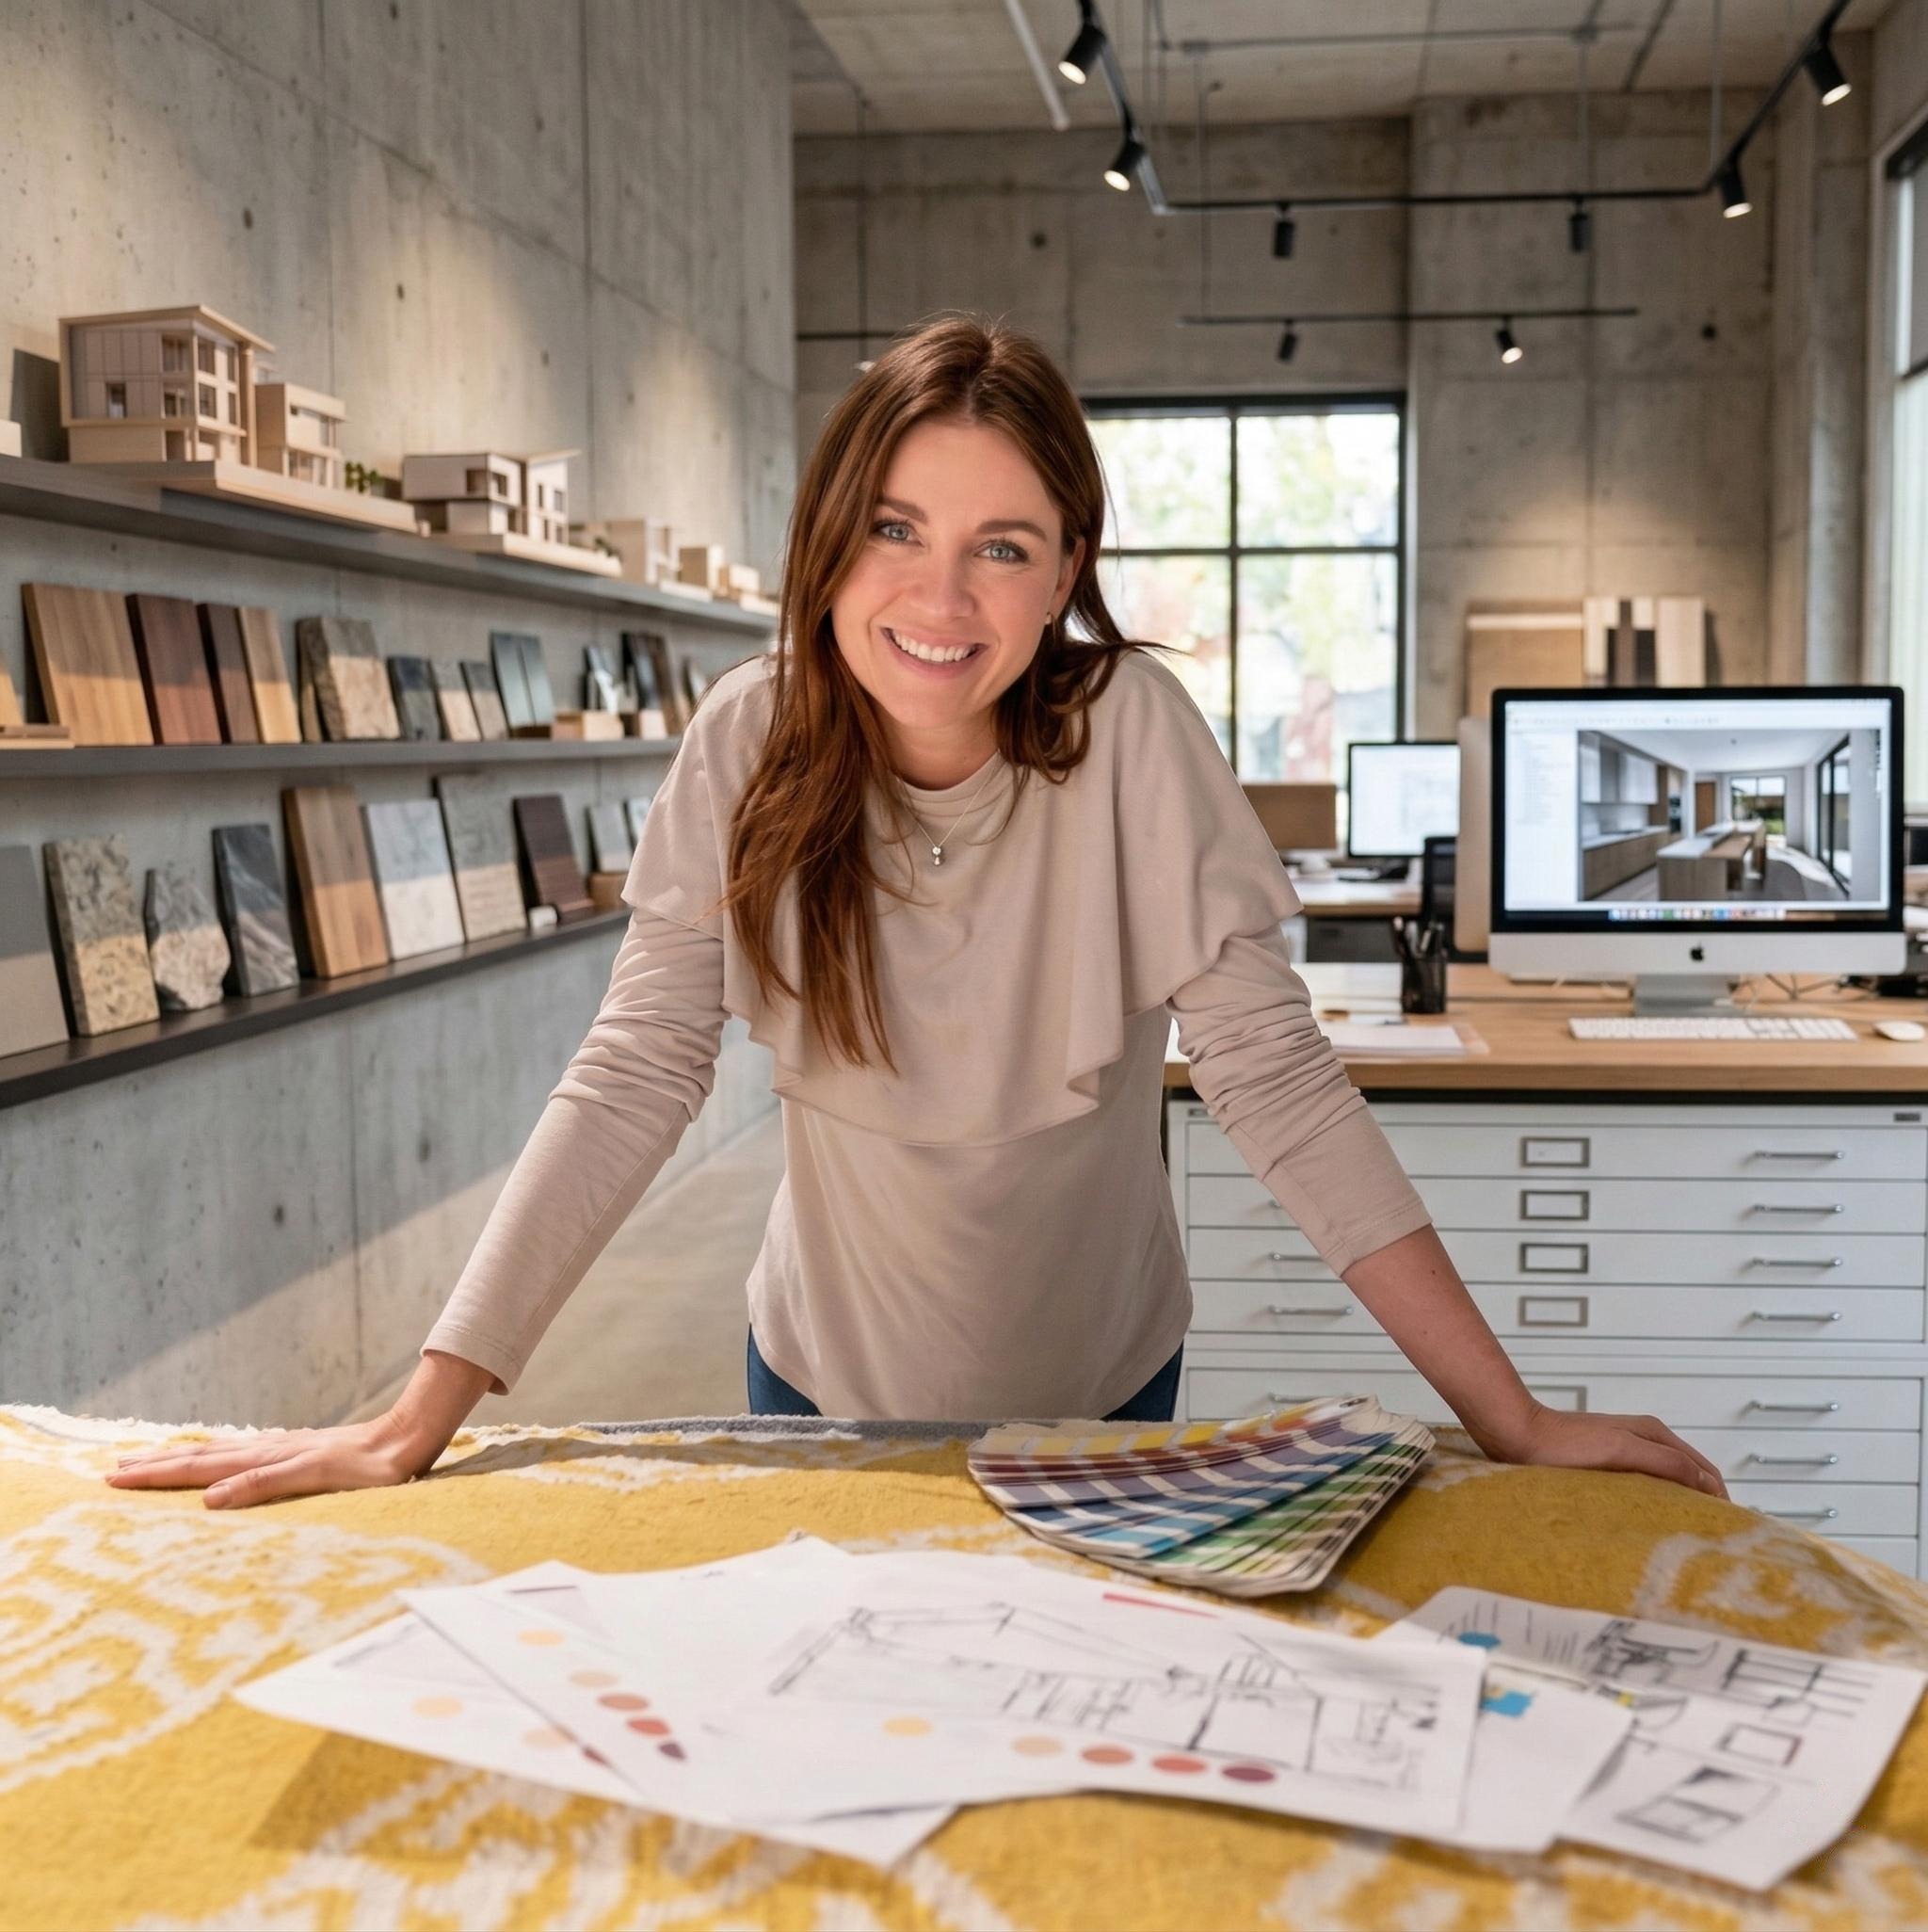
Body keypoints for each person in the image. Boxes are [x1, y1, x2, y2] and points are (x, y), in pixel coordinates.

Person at [110, 318, 1727, 1510]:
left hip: (1106, 1372)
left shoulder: (1132, 739)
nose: (940, 600)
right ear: (831, 537)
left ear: (1065, 569)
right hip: (823, 1375)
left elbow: (1278, 1085)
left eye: (1000, 548)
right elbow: (634, 1072)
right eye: (897, 529)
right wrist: (419, 1413)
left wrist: (1508, 1418)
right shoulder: (749, 738)